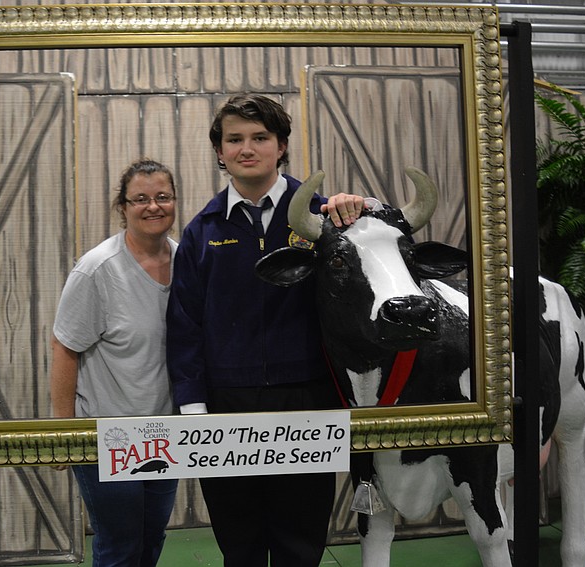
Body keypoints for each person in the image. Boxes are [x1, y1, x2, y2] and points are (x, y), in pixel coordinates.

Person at [165, 93, 366, 567]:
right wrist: (194, 408)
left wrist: (363, 206)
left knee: (301, 542)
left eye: (260, 137)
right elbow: (185, 324)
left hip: (309, 399)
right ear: (219, 151)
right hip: (224, 408)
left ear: (281, 146)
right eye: (234, 139)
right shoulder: (202, 231)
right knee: (240, 543)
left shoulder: (326, 217)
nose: (246, 148)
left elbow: (382, 259)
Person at [50, 158, 179, 567]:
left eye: (162, 196)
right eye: (140, 199)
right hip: (109, 434)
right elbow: (65, 348)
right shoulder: (96, 270)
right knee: (120, 544)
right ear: (122, 207)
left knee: (151, 538)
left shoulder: (187, 260)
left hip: (163, 431)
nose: (152, 206)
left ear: (174, 202)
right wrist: (64, 433)